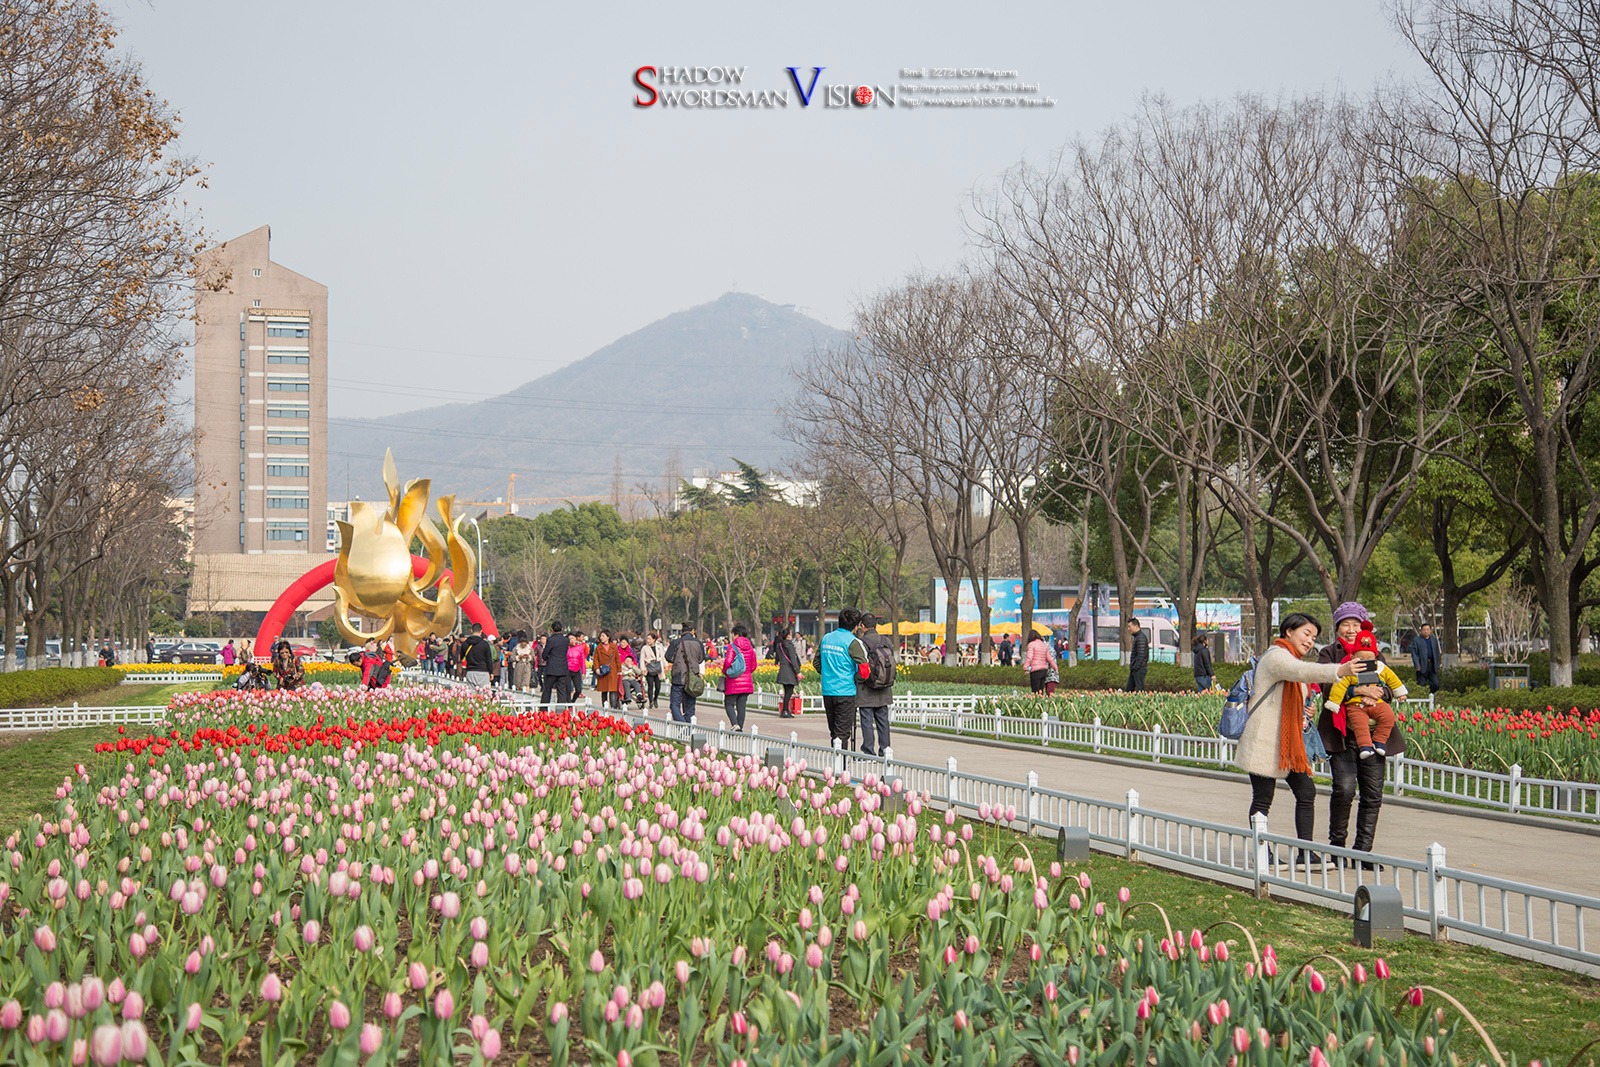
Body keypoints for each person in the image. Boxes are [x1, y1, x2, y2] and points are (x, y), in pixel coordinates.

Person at [1234, 612, 1361, 863]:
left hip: (1288, 743)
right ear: (1289, 631)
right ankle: (1263, 854)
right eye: (1306, 634)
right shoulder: (1276, 656)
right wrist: (1340, 670)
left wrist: (1306, 708)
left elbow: (1295, 689)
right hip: (1264, 741)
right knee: (1263, 798)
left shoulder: (1289, 658)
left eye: (1314, 637)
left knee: (1306, 792)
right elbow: (1301, 672)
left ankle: (1305, 852)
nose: (1310, 641)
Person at [1317, 601, 1409, 867]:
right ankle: (1337, 851)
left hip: (1374, 737)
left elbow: (1389, 683)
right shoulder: (1329, 654)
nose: (1350, 630)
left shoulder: (1373, 654)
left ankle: (1363, 854)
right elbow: (1324, 686)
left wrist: (1380, 693)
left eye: (1355, 625)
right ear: (1337, 628)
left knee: (1372, 794)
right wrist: (1355, 692)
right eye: (1345, 624)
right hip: (1343, 735)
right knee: (1344, 790)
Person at [1324, 626, 1406, 759]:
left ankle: (1379, 741)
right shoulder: (1349, 669)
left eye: (1370, 658)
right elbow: (1339, 686)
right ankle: (1366, 746)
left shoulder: (1380, 667)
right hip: (1356, 705)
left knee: (1389, 716)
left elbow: (1392, 679)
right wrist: (1336, 701)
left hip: (1377, 703)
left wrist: (1397, 692)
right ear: (1353, 656)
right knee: (1360, 724)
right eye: (1361, 659)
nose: (1365, 662)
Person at [819, 607, 869, 750]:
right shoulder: (853, 642)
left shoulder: (826, 638)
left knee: (834, 732)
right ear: (856, 626)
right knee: (842, 734)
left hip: (828, 692)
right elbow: (865, 671)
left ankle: (836, 766)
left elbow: (817, 663)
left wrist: (830, 674)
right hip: (845, 692)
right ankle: (841, 769)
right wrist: (855, 678)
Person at [857, 613, 894, 756]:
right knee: (883, 720)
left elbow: (860, 665)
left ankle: (868, 751)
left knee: (867, 720)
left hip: (867, 688)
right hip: (884, 687)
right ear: (876, 626)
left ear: (862, 626)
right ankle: (885, 750)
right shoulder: (886, 641)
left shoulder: (861, 642)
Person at [721, 622, 758, 731]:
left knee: (729, 704)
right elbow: (754, 665)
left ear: (736, 634)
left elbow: (728, 662)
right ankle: (740, 728)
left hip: (733, 681)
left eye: (733, 634)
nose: (732, 636)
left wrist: (726, 671)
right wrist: (745, 673)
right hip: (746, 682)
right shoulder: (750, 648)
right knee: (741, 706)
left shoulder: (733, 647)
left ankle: (734, 724)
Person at [668, 624, 705, 723]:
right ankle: (688, 726)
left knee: (675, 704)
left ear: (682, 631)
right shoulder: (698, 643)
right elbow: (701, 659)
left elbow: (668, 657)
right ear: (692, 631)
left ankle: (681, 723)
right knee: (690, 705)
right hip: (692, 677)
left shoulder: (676, 643)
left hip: (678, 676)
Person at [771, 625, 802, 718]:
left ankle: (786, 710)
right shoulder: (789, 646)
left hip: (783, 669)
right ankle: (785, 711)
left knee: (787, 691)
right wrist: (797, 671)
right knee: (789, 692)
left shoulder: (779, 645)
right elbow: (793, 659)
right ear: (788, 636)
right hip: (789, 671)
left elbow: (778, 658)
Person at [538, 623, 572, 706]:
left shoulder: (550, 640)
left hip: (552, 668)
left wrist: (547, 657)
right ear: (562, 629)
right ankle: (561, 712)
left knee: (547, 689)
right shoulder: (566, 640)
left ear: (552, 630)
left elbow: (545, 654)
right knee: (561, 691)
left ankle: (543, 710)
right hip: (562, 668)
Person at [593, 630, 622, 709]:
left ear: (608, 637)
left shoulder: (613, 647)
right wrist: (597, 668)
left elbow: (617, 659)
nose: (601, 638)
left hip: (612, 670)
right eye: (601, 636)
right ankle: (604, 707)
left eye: (603, 636)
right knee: (604, 690)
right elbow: (595, 659)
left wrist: (619, 670)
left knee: (612, 690)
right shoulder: (598, 647)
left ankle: (613, 706)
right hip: (603, 671)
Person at [1411, 622, 1442, 695]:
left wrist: (1438, 664)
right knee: (1422, 684)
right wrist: (1417, 665)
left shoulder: (1434, 640)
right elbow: (1414, 654)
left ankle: (1432, 697)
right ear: (1421, 631)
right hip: (1422, 665)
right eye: (1424, 630)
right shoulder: (1417, 640)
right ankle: (1422, 699)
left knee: (1435, 683)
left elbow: (1437, 652)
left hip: (1432, 665)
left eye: (1427, 630)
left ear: (1430, 630)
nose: (1426, 631)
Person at [638, 632, 666, 709]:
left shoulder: (659, 647)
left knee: (658, 686)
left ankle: (655, 698)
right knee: (650, 686)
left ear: (654, 639)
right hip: (649, 668)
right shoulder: (644, 648)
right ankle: (650, 702)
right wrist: (643, 669)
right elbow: (642, 659)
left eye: (650, 639)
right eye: (647, 639)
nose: (648, 640)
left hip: (657, 667)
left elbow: (663, 657)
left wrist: (665, 665)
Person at [1023, 629, 1052, 694]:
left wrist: (1025, 667)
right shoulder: (1044, 645)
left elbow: (1030, 658)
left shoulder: (1031, 644)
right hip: (1044, 669)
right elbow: (1049, 658)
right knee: (1041, 690)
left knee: (1035, 691)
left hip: (1035, 671)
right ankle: (1041, 703)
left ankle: (1036, 703)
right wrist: (1055, 667)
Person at [1124, 619, 1149, 692]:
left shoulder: (1140, 637)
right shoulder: (1137, 637)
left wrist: (1135, 667)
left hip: (1139, 669)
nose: (1128, 629)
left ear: (1136, 626)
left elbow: (1141, 655)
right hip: (1135, 669)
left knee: (1139, 690)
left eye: (1129, 627)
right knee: (1128, 690)